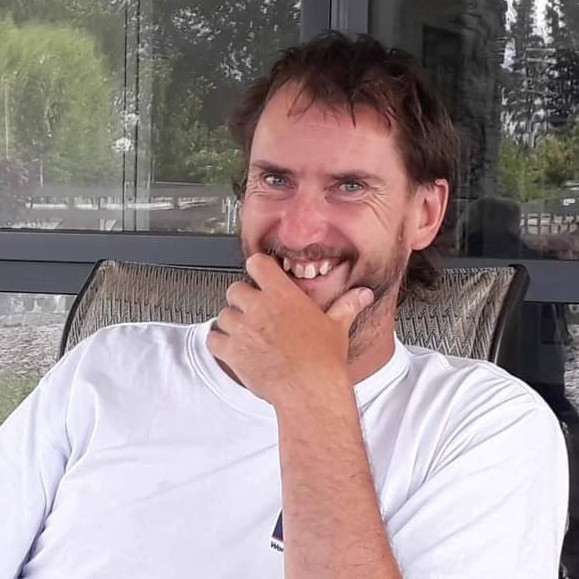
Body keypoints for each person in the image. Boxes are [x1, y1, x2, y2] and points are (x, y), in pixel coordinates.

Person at [0, 33, 568, 578]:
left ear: (424, 213)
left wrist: (308, 392)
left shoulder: (481, 426)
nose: (298, 231)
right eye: (275, 179)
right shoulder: (107, 366)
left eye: (350, 186)